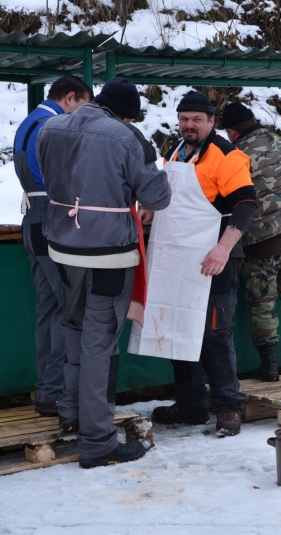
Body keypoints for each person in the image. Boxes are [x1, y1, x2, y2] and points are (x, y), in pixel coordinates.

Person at [37, 77, 171, 468]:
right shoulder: (126, 137)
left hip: (62, 247)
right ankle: (96, 441)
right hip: (108, 254)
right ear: (127, 115)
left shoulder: (53, 126)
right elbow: (156, 197)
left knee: (73, 326)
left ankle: (72, 414)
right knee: (100, 341)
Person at [150, 91, 257, 437]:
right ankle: (192, 404)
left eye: (197, 119)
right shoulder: (176, 152)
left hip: (216, 257)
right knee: (178, 326)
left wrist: (223, 248)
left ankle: (228, 407)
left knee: (214, 332)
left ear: (212, 122)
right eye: (184, 119)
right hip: (179, 258)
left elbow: (245, 204)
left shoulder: (227, 155)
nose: (189, 125)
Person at [220, 103, 281, 382]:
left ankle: (270, 366)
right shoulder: (280, 140)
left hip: (262, 240)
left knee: (262, 303)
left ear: (231, 131)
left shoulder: (236, 153)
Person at [13, 75, 93, 417]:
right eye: (83, 108)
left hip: (31, 219)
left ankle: (47, 390)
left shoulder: (28, 123)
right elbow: (63, 177)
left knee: (48, 307)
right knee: (67, 308)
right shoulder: (54, 126)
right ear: (70, 98)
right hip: (52, 219)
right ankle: (59, 392)